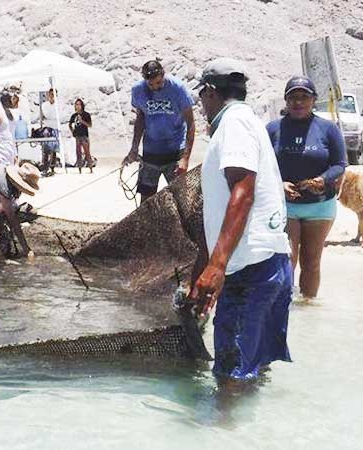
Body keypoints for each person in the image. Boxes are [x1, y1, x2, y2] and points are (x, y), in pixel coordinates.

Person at [187, 59, 292, 385]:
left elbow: (243, 191)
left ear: (211, 92)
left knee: (229, 382)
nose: (202, 105)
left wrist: (217, 267)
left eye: (202, 96)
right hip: (268, 264)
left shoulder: (233, 125)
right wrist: (206, 266)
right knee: (254, 375)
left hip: (250, 272)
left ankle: (222, 432)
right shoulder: (249, 121)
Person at [266, 76, 346, 301]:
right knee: (286, 258)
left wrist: (323, 179)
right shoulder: (272, 129)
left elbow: (340, 164)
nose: (298, 102)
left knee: (311, 262)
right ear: (285, 100)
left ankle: (309, 306)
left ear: (314, 100)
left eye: (304, 97)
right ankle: (285, 308)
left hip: (320, 207)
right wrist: (278, 184)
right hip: (284, 206)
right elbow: (261, 165)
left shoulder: (328, 129)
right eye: (293, 98)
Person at [124, 60, 197, 203]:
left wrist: (185, 159)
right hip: (151, 152)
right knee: (146, 201)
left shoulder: (178, 89)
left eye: (158, 83)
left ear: (164, 75)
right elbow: (140, 119)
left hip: (175, 150)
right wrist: (134, 148)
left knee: (181, 199)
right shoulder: (138, 90)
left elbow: (191, 123)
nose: (155, 88)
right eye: (150, 84)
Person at [39, 88, 61, 176]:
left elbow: (57, 116)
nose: (52, 96)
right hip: (47, 128)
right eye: (50, 94)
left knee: (54, 150)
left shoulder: (58, 105)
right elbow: (48, 115)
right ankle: (45, 167)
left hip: (55, 127)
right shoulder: (44, 105)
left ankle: (52, 167)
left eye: (54, 94)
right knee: (46, 149)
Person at [69, 98, 94, 170]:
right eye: (76, 104)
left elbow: (90, 125)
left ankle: (90, 168)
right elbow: (70, 124)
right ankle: (79, 168)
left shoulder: (86, 114)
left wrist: (82, 121)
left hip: (84, 135)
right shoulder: (74, 115)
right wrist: (72, 131)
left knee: (87, 153)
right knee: (78, 153)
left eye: (79, 104)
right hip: (77, 135)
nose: (78, 106)